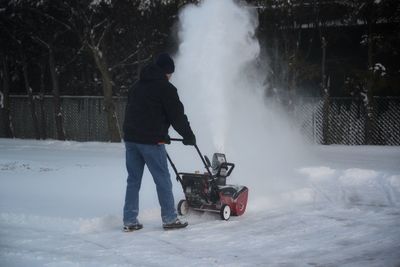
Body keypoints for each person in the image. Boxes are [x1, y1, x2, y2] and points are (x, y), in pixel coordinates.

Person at [122, 53, 196, 231]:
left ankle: (129, 220)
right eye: (171, 73)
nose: (171, 76)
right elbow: (177, 116)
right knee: (163, 179)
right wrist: (188, 135)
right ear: (166, 71)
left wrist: (162, 132)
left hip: (131, 139)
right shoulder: (166, 88)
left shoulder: (137, 86)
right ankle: (170, 219)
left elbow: (141, 113)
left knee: (133, 180)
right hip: (150, 141)